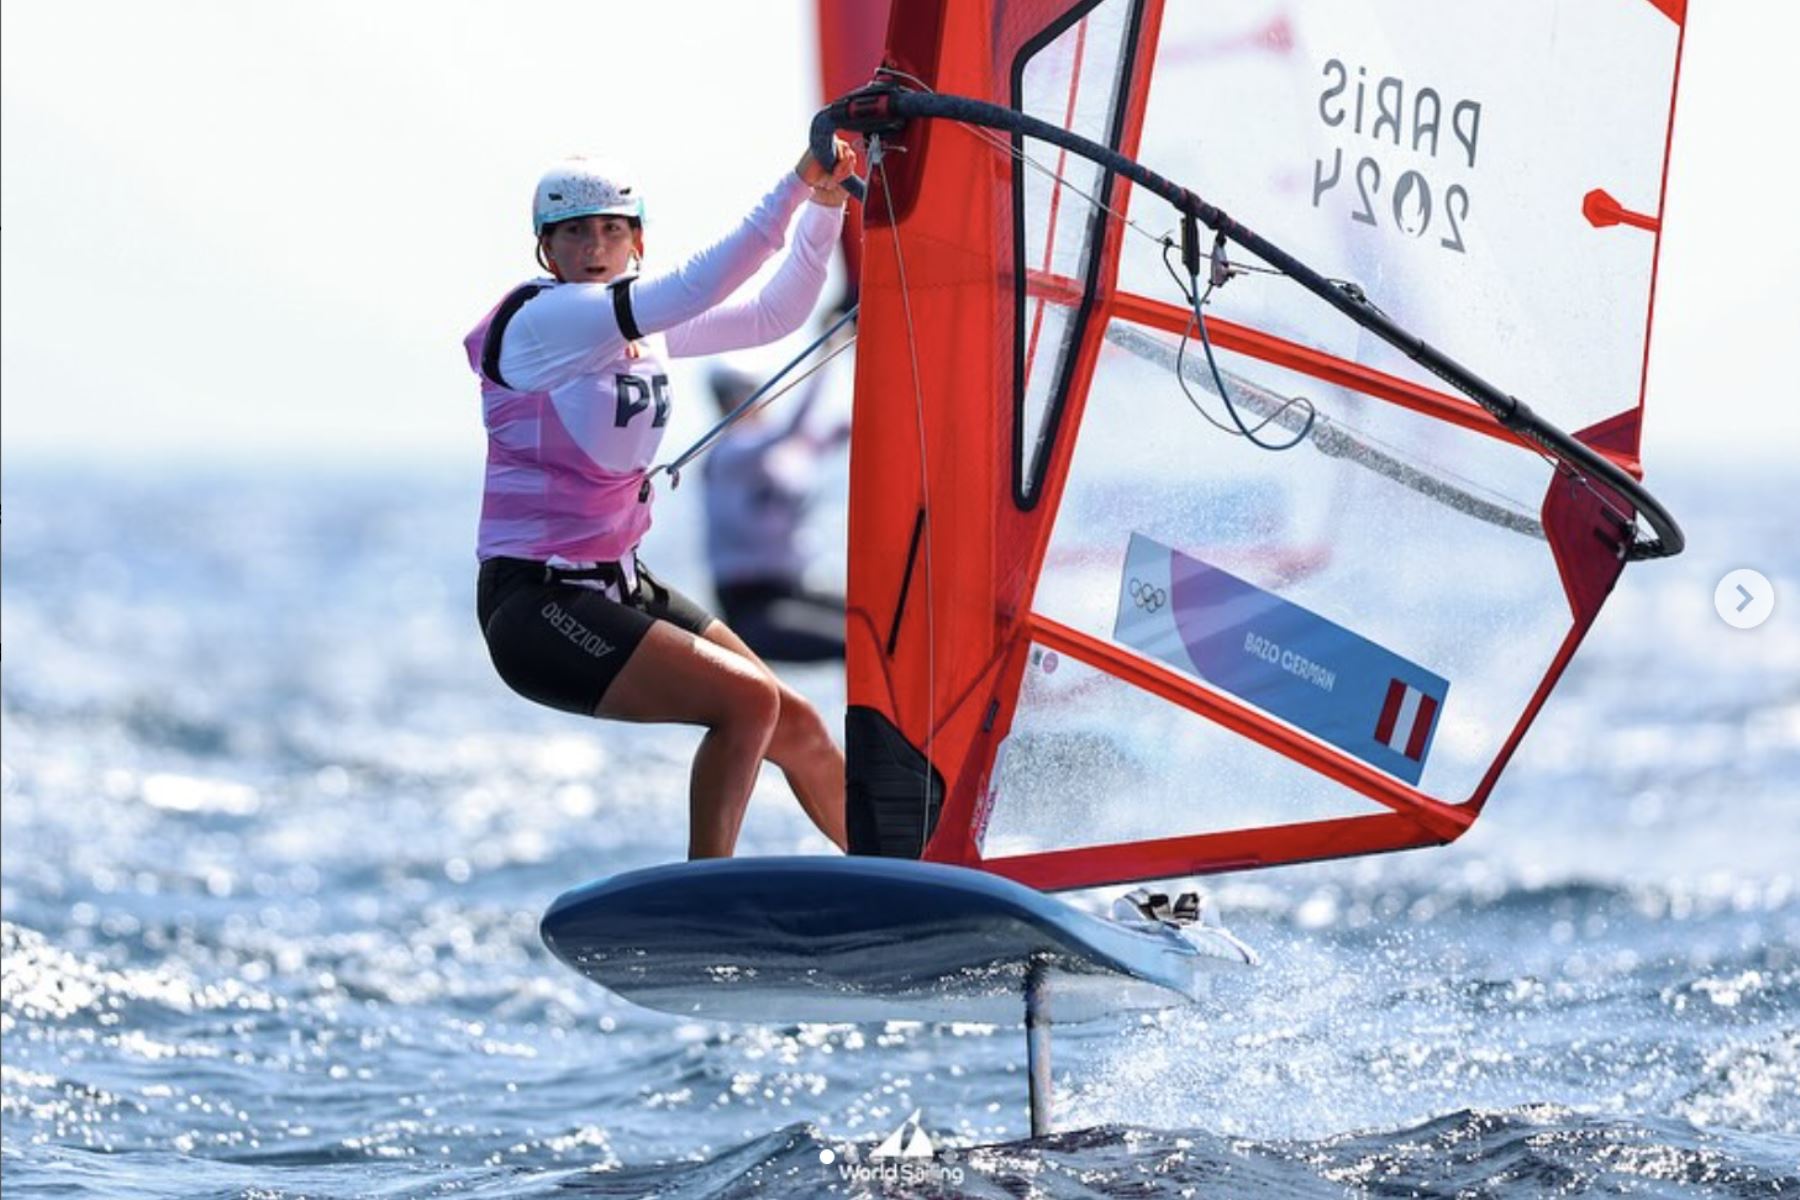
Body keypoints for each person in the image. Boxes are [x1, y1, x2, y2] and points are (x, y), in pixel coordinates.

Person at [464, 143, 858, 859]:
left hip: (617, 585)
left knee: (793, 721)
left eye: (612, 230)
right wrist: (797, 182)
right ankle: (706, 899)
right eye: (574, 233)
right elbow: (694, 288)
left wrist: (826, 206)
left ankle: (902, 877)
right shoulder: (543, 321)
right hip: (535, 607)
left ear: (636, 241)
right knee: (749, 703)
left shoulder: (644, 329)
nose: (594, 246)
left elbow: (776, 314)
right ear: (545, 250)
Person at [701, 359, 851, 663]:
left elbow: (839, 431)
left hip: (792, 590)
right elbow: (792, 428)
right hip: (752, 608)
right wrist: (828, 353)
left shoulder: (776, 454)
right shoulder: (728, 454)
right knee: (854, 644)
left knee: (880, 623)